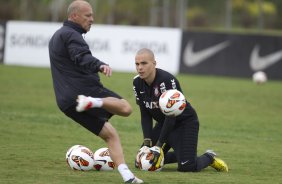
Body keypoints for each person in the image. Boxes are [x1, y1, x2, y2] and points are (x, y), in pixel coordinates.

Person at [48, 1, 143, 183]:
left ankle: (128, 177)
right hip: (84, 93)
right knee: (126, 108)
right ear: (74, 16)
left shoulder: (57, 36)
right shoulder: (71, 34)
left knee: (111, 135)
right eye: (88, 15)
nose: (92, 19)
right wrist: (99, 64)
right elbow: (81, 56)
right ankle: (94, 102)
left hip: (66, 103)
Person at [133, 48, 228, 172]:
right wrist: (147, 143)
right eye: (137, 64)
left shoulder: (167, 81)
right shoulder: (137, 82)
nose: (140, 67)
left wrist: (158, 146)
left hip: (184, 123)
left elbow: (171, 117)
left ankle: (209, 157)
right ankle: (183, 156)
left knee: (186, 167)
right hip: (163, 124)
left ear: (154, 64)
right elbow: (145, 114)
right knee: (142, 162)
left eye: (144, 63)